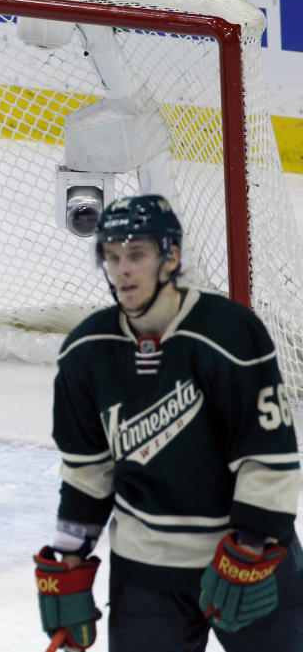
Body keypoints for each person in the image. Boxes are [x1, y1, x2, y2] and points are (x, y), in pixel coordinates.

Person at [33, 195, 303, 651]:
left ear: (171, 257)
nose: (123, 270)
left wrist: (251, 544)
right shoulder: (86, 352)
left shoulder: (229, 333)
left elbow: (268, 452)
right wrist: (70, 555)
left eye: (137, 254)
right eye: (112, 256)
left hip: (248, 561)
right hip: (146, 577)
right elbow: (87, 471)